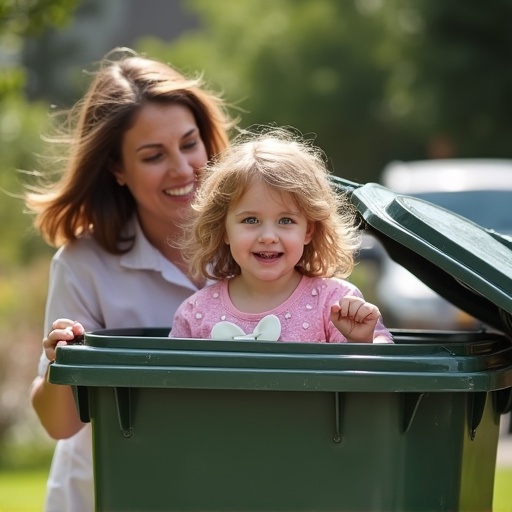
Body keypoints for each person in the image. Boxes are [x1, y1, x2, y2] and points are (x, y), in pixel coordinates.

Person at [26, 47, 235, 512]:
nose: (182, 168)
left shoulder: (260, 246)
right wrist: (65, 363)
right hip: (102, 496)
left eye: (189, 143)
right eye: (153, 155)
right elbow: (59, 425)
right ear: (117, 169)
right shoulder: (83, 264)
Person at [170, 128, 393, 344]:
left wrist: (362, 340)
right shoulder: (195, 312)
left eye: (286, 221)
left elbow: (376, 371)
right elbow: (170, 377)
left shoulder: (335, 302)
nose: (268, 236)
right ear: (224, 230)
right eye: (250, 220)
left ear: (308, 231)